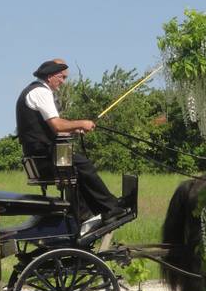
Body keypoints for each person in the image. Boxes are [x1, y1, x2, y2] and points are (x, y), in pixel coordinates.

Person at [15, 58, 126, 222]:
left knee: (79, 166)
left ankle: (85, 212)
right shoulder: (41, 92)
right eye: (62, 77)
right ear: (50, 76)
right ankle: (110, 207)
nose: (63, 82)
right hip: (44, 155)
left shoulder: (35, 90)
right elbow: (57, 125)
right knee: (84, 165)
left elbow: (52, 127)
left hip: (39, 154)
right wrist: (82, 123)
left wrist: (74, 129)